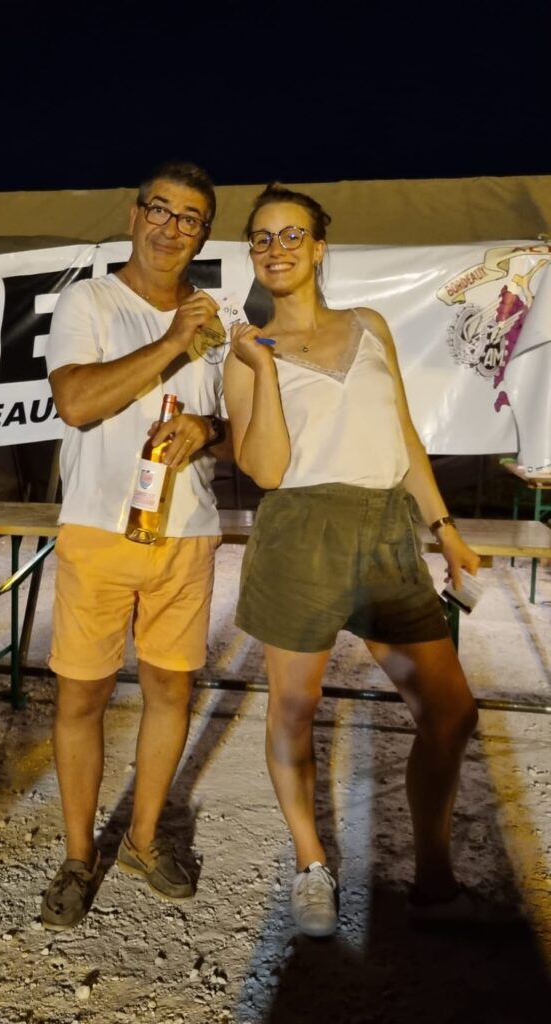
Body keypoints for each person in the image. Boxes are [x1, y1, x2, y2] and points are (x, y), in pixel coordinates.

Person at [224, 184, 481, 938]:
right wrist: (264, 370)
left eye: (292, 235)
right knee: (295, 713)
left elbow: (402, 434)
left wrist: (445, 526)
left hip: (386, 534)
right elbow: (267, 471)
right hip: (301, 532)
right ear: (253, 254)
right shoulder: (246, 351)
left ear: (321, 247)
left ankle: (432, 875)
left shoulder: (370, 326)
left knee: (450, 712)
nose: (277, 248)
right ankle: (311, 862)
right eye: (263, 238)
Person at [41, 162, 229, 930]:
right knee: (81, 696)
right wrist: (172, 340)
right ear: (134, 215)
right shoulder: (88, 301)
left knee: (172, 692)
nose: (171, 227)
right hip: (96, 527)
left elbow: (233, 422)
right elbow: (77, 400)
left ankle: (147, 836)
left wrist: (206, 430)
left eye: (190, 219)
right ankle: (80, 856)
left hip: (185, 533)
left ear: (202, 235)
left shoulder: (216, 322)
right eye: (161, 210)